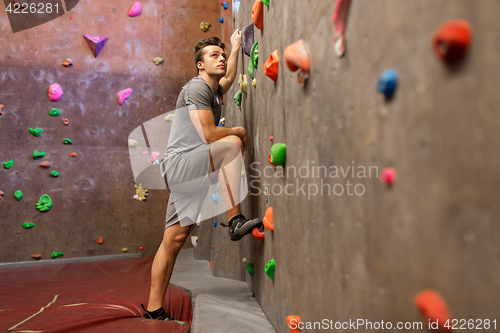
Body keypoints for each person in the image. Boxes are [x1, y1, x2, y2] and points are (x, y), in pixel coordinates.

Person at [142, 30, 263, 321]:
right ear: (200, 65)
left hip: (193, 167)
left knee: (174, 238)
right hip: (183, 165)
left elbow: (229, 77)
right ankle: (235, 221)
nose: (220, 59)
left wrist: (234, 48)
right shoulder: (197, 87)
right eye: (214, 55)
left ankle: (154, 308)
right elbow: (209, 135)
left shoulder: (213, 89)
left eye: (220, 55)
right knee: (231, 144)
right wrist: (238, 131)